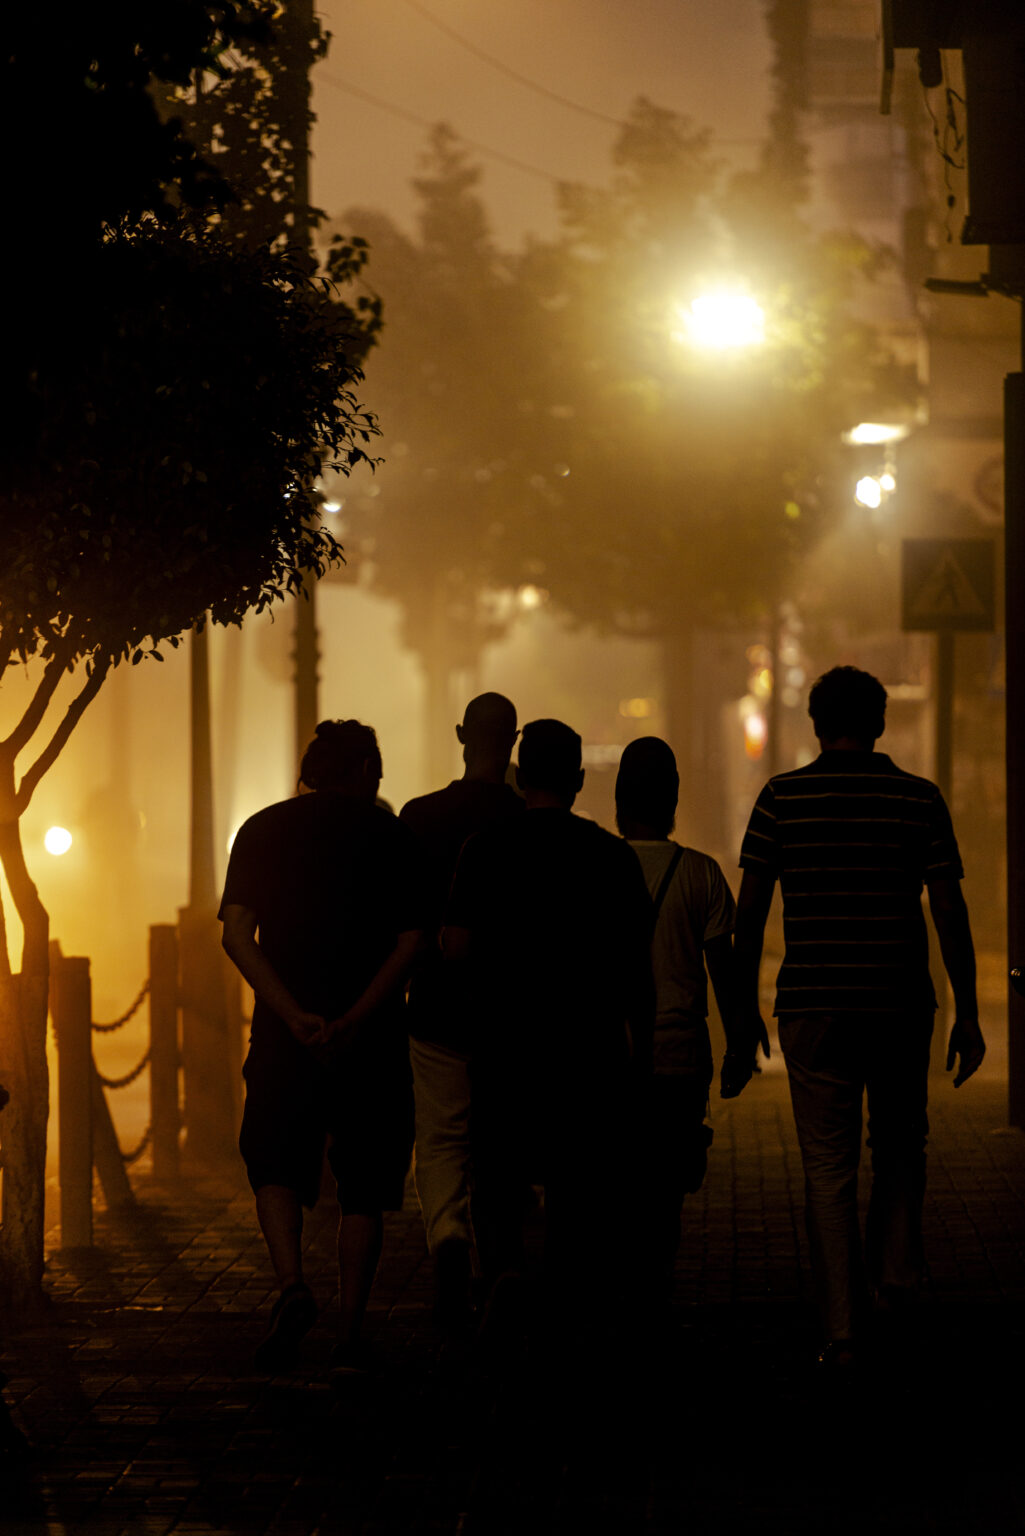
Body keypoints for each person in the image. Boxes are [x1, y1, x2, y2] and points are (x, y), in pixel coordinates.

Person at [734, 666, 986, 1369]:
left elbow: (749, 913)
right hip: (900, 1002)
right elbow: (948, 909)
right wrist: (966, 1012)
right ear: (877, 724)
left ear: (816, 724)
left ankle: (842, 1331)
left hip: (813, 1005)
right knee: (901, 1146)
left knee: (826, 1168)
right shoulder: (918, 800)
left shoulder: (780, 799)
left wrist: (741, 1008)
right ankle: (895, 1283)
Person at [220, 720, 427, 1375]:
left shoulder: (262, 829)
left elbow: (236, 935)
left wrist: (294, 1016)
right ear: (363, 768)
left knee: (275, 1164)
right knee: (365, 1186)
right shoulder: (393, 836)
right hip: (369, 1041)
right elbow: (410, 942)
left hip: (285, 1034)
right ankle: (349, 1328)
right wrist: (356, 1017)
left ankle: (290, 1284)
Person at [443, 718, 655, 1348]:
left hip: (504, 1044)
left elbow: (455, 946)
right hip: (585, 1050)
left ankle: (502, 1273)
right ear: (580, 780)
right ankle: (563, 1299)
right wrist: (638, 1052)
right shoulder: (611, 858)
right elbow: (636, 969)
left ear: (520, 775)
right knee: (577, 1177)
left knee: (498, 1171)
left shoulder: (482, 849)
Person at [614, 737, 764, 1307]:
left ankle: (621, 1293)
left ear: (619, 798)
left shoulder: (601, 867)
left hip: (612, 1056)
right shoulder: (701, 874)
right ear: (674, 798)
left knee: (616, 1181)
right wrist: (739, 1044)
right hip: (680, 1057)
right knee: (665, 1191)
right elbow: (723, 972)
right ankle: (655, 1284)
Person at [399, 693, 523, 1330]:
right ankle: (501, 1263)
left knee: (441, 1142)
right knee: (502, 1142)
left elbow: (403, 923)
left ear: (460, 737)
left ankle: (449, 1239)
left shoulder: (420, 817)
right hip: (513, 1012)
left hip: (438, 1007)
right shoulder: (528, 819)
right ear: (514, 741)